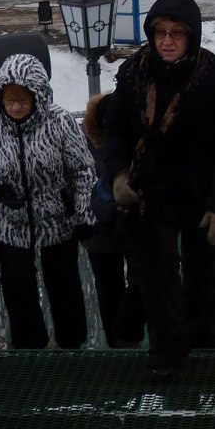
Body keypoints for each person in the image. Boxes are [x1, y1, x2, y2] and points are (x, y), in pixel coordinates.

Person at [102, 0, 215, 379]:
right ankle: (166, 353)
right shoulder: (134, 73)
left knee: (205, 279)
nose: (167, 41)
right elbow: (114, 128)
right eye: (160, 31)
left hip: (200, 190)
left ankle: (201, 347)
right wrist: (117, 175)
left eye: (177, 33)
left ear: (192, 36)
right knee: (156, 273)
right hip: (150, 189)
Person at [0, 52, 96, 350]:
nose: (15, 107)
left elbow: (83, 170)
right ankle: (30, 352)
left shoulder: (60, 123)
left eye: (22, 101)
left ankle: (72, 348)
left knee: (64, 289)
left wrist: (83, 214)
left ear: (38, 96)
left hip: (57, 223)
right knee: (17, 291)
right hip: (10, 227)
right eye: (8, 100)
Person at [81, 93, 144, 347]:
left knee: (142, 277)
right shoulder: (84, 144)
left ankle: (126, 333)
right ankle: (118, 343)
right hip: (99, 225)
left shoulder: (138, 140)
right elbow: (80, 182)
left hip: (131, 221)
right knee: (109, 287)